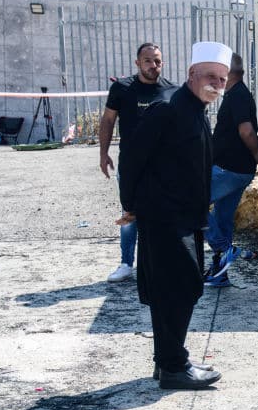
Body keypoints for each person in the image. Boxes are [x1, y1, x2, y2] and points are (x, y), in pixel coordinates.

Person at [119, 42, 231, 390]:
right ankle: (174, 366)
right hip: (165, 215)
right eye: (210, 76)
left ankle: (165, 362)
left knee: (174, 289)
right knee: (179, 289)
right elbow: (132, 159)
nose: (216, 83)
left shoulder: (197, 109)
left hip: (187, 215)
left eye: (222, 78)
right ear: (191, 75)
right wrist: (130, 206)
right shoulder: (166, 108)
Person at [98, 43, 176, 283]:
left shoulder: (172, 91)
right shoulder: (122, 88)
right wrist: (103, 153)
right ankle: (125, 263)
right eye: (148, 61)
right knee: (129, 214)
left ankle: (159, 264)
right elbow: (108, 120)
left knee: (162, 214)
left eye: (158, 61)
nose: (154, 66)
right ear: (137, 63)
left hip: (162, 168)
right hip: (131, 167)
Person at [204, 53, 258, 288]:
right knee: (223, 219)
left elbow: (246, 131)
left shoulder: (237, 96)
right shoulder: (238, 94)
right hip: (237, 170)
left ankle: (225, 249)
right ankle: (220, 273)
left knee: (189, 202)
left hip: (229, 170)